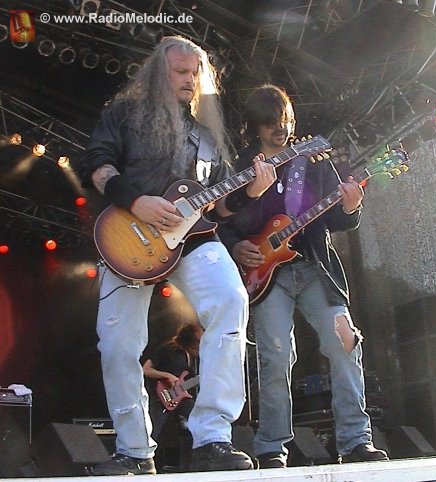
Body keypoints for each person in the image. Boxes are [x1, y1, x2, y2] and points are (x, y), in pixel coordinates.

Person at [81, 36, 276, 475]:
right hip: (130, 236)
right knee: (118, 345)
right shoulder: (124, 114)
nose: (190, 80)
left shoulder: (206, 137)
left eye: (195, 74)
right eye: (181, 71)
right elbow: (97, 165)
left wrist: (252, 192)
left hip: (194, 239)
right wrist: (137, 201)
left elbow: (219, 209)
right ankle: (135, 451)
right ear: (159, 72)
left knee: (231, 300)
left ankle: (213, 437)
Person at [218, 84, 389, 468]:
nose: (279, 128)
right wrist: (235, 246)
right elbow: (221, 218)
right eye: (270, 122)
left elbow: (338, 219)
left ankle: (356, 441)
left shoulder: (312, 159)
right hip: (265, 276)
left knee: (345, 342)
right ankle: (271, 448)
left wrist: (351, 207)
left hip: (315, 267)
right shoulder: (241, 166)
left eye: (285, 120)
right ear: (256, 125)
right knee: (276, 356)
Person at [142, 322, 203, 472]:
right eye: (197, 340)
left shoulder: (188, 355)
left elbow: (187, 380)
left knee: (195, 422)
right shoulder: (166, 349)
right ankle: (144, 461)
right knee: (153, 431)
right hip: (161, 395)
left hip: (180, 396)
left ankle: (191, 465)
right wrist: (167, 375)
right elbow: (146, 369)